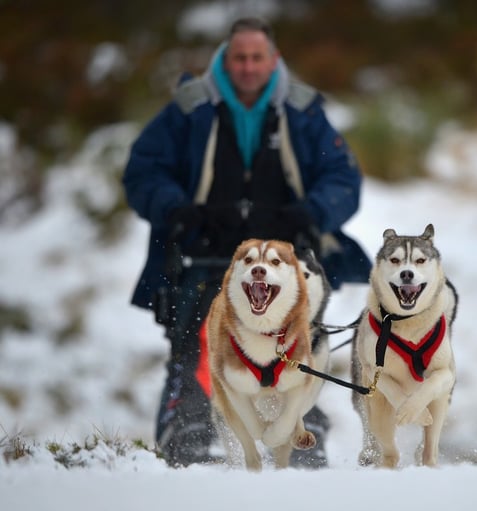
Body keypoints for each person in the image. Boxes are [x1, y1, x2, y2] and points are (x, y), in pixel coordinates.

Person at [122, 16, 371, 468]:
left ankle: (300, 428)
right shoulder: (189, 108)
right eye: (240, 57)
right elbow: (143, 172)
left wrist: (312, 212)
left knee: (294, 339)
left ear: (273, 60)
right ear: (224, 59)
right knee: (198, 342)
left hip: (285, 259)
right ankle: (190, 430)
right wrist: (176, 208)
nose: (249, 66)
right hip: (200, 255)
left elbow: (342, 178)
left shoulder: (302, 110)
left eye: (257, 57)